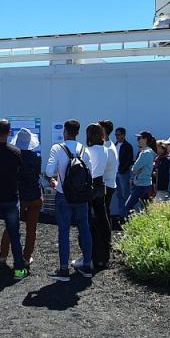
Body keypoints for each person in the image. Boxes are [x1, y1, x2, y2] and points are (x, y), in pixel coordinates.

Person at [44, 119, 100, 281]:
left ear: (65, 132)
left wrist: (55, 180)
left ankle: (63, 270)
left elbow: (49, 171)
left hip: (63, 194)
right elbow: (92, 173)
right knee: (84, 228)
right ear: (78, 132)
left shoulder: (58, 148)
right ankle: (87, 266)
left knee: (64, 231)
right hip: (82, 196)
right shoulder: (84, 150)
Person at [0, 119, 27, 280]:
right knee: (14, 235)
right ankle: (19, 270)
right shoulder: (16, 152)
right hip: (11, 198)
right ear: (9, 133)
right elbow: (20, 174)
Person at [0, 127, 41, 268]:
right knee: (31, 228)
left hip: (19, 196)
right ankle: (27, 257)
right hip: (35, 195)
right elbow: (36, 175)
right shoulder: (36, 157)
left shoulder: (14, 156)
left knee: (11, 226)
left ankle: (3, 255)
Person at [87, 123, 114, 270]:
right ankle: (103, 253)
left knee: (89, 222)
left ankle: (90, 255)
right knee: (102, 220)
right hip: (100, 185)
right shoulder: (105, 149)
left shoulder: (88, 150)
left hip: (90, 186)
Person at [122, 131, 157, 219]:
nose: (138, 140)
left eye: (139, 138)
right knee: (145, 208)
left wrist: (137, 170)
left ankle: (129, 228)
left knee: (128, 206)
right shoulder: (149, 152)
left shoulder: (146, 153)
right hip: (145, 183)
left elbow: (134, 169)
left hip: (141, 184)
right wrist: (138, 170)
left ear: (145, 139)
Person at [114, 127, 134, 221]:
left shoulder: (128, 146)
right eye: (116, 135)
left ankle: (127, 215)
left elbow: (129, 160)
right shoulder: (115, 145)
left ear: (123, 135)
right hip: (115, 173)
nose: (117, 136)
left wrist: (122, 170)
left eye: (118, 134)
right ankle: (121, 214)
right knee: (119, 195)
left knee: (125, 194)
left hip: (123, 173)